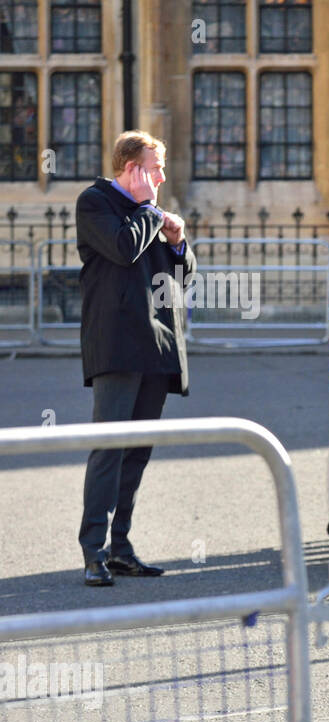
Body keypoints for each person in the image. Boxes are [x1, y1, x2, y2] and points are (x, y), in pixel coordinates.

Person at [76, 130, 193, 586]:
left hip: (158, 346)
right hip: (116, 346)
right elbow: (124, 249)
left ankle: (121, 548)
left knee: (137, 454)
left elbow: (183, 277)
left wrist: (180, 242)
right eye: (155, 167)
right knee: (109, 450)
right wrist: (148, 210)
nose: (162, 176)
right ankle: (93, 552)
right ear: (131, 168)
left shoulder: (153, 214)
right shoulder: (95, 202)